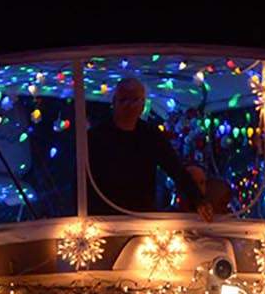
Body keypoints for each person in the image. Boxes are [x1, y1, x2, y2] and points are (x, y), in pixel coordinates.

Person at [87, 78, 214, 219]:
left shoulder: (151, 135)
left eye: (135, 100)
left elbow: (176, 169)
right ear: (114, 103)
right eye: (124, 100)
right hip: (103, 218)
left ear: (143, 105)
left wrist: (198, 200)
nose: (129, 105)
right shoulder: (95, 136)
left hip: (142, 217)